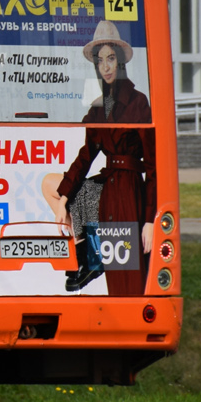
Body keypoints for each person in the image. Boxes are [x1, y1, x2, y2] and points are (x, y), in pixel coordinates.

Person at [54, 20, 156, 294]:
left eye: (111, 58)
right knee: (60, 188)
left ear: (120, 61)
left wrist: (149, 219)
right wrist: (63, 198)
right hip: (108, 189)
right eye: (101, 61)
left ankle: (94, 260)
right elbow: (86, 155)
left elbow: (153, 166)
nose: (106, 66)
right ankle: (92, 259)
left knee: (129, 278)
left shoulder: (138, 102)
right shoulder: (99, 108)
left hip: (130, 194)